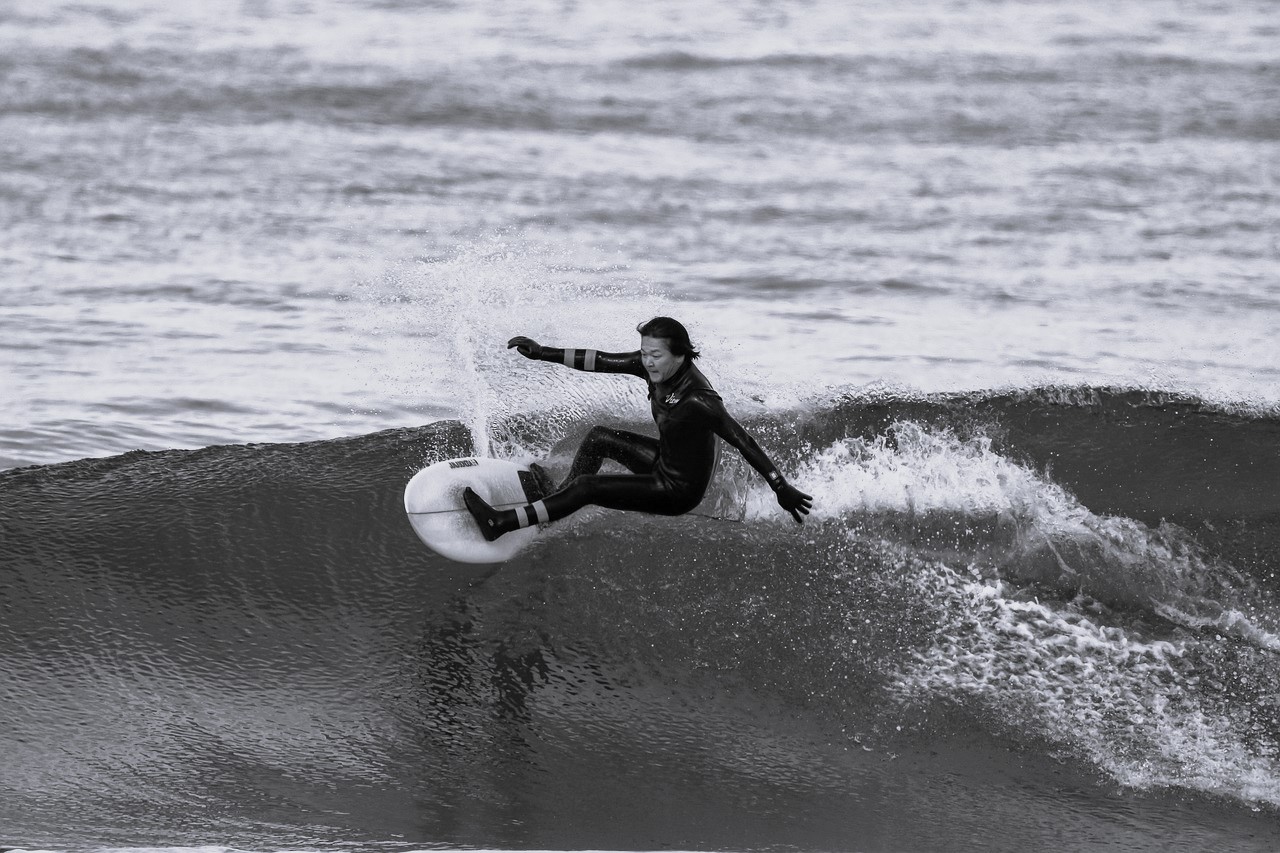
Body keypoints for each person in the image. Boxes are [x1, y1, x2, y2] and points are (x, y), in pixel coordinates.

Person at [463, 317, 814, 541]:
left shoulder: (699, 400)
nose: (646, 361)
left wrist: (780, 487)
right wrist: (543, 353)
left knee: (588, 487)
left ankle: (502, 524)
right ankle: (555, 504)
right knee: (598, 437)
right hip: (663, 461)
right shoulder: (652, 367)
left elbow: (744, 441)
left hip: (677, 490)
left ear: (680, 355)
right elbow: (599, 360)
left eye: (655, 355)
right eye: (644, 353)